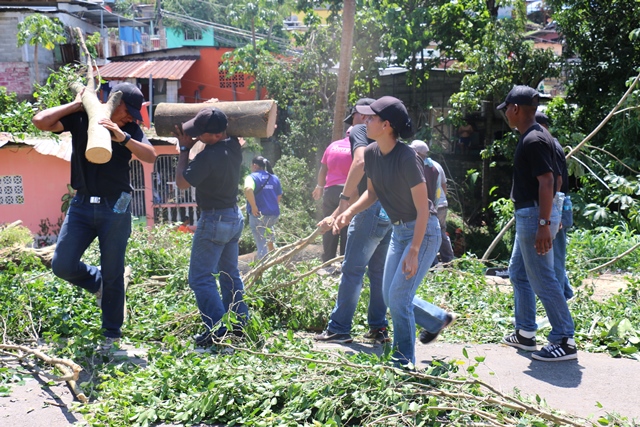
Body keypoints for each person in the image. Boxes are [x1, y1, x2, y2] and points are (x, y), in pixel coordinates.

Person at [32, 82, 158, 351]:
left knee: (114, 270)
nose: (131, 117)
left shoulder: (129, 129)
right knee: (62, 265)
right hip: (82, 205)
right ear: (115, 101)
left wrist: (123, 137)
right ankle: (98, 281)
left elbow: (150, 156)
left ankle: (111, 333)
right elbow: (40, 121)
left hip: (116, 206)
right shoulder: (81, 119)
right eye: (128, 111)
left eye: (134, 114)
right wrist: (77, 104)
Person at [334, 96, 456, 366]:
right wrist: (348, 212)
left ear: (386, 125)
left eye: (371, 118)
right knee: (390, 296)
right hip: (399, 232)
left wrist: (414, 250)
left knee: (399, 298)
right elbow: (372, 193)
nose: (365, 122)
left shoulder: (407, 158)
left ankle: (403, 361)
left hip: (423, 233)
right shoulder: (372, 153)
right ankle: (436, 319)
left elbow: (423, 209)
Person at [497, 85, 577, 361]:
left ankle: (564, 339)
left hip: (534, 216)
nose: (506, 114)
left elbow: (548, 181)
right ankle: (525, 332)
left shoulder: (533, 139)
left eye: (507, 109)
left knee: (543, 277)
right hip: (531, 214)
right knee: (518, 273)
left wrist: (544, 223)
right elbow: (555, 179)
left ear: (515, 109)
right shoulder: (540, 137)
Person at [314, 97, 392, 344]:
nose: (361, 120)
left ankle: (339, 328)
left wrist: (344, 201)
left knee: (352, 270)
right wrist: (340, 212)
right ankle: (379, 327)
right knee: (378, 271)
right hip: (389, 208)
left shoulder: (360, 131)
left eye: (365, 116)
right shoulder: (388, 134)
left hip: (369, 208)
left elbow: (359, 164)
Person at [174, 107, 248, 347]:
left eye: (200, 133)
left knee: (200, 278)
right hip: (233, 217)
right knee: (229, 274)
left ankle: (218, 330)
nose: (196, 136)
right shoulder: (234, 146)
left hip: (215, 220)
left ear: (216, 135)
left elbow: (182, 182)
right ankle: (239, 325)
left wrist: (184, 149)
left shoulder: (209, 157)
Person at [535, 111, 573, 301]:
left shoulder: (551, 147)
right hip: (557, 204)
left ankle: (560, 300)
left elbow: (556, 181)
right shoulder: (552, 145)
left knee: (555, 256)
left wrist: (553, 213)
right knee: (555, 254)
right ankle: (566, 294)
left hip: (558, 204)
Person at [409, 140, 455, 264]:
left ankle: (432, 263)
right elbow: (444, 186)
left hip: (430, 206)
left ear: (416, 152)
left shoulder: (419, 166)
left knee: (427, 234)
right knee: (441, 232)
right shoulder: (436, 165)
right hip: (442, 204)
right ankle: (449, 259)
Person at [312, 130, 353, 263]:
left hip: (330, 191)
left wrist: (319, 186)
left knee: (328, 223)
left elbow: (323, 169)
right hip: (348, 192)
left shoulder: (332, 146)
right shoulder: (358, 148)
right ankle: (344, 260)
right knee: (345, 224)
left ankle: (328, 260)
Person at [244, 156, 283, 260]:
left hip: (258, 215)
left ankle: (264, 266)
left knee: (261, 245)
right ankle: (275, 261)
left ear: (255, 165)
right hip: (273, 215)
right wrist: (271, 205)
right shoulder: (274, 178)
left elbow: (248, 190)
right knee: (269, 237)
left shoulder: (251, 177)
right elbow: (279, 195)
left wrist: (254, 207)